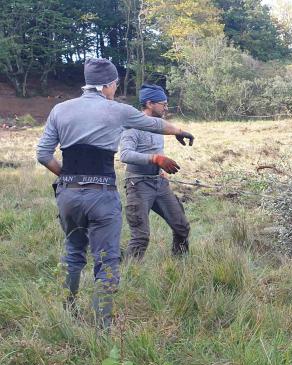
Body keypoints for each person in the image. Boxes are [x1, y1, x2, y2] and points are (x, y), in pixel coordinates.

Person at [36, 58, 195, 329]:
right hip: (102, 194)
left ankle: (69, 308)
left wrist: (68, 178)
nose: (116, 90)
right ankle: (103, 325)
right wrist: (180, 131)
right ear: (109, 84)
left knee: (73, 252)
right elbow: (156, 125)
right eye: (116, 86)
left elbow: (43, 155)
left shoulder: (60, 110)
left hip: (68, 194)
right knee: (106, 257)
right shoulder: (117, 111)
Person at [119, 84, 190, 260]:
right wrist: (155, 159)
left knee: (182, 227)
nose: (166, 107)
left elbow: (156, 147)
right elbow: (125, 154)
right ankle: (129, 273)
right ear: (149, 104)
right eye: (163, 104)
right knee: (140, 236)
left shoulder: (159, 126)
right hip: (138, 185)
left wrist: (161, 168)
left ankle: (179, 263)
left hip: (159, 183)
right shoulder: (133, 128)